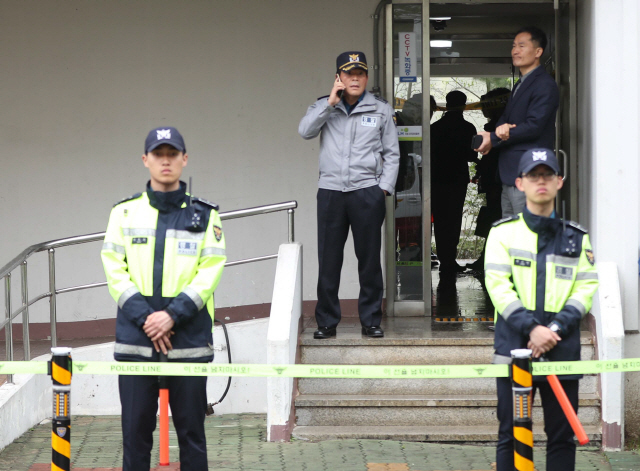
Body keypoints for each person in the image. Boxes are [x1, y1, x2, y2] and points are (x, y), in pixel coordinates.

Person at [101, 127, 227, 470]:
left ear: (184, 160)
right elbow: (114, 272)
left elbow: (210, 271)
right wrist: (148, 318)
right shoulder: (123, 214)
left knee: (192, 437)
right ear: (146, 160)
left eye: (173, 154)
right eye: (159, 154)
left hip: (187, 340)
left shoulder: (205, 216)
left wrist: (171, 316)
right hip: (137, 341)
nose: (166, 161)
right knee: (135, 436)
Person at [484, 148, 599, 471]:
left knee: (562, 437)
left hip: (561, 349)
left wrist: (556, 329)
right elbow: (498, 286)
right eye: (534, 176)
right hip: (513, 348)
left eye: (548, 175)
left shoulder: (576, 238)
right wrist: (533, 329)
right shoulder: (502, 233)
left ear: (559, 181)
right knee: (510, 433)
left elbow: (586, 287)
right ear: (520, 184)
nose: (541, 181)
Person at [299, 51, 400, 339]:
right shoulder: (323, 105)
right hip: (331, 192)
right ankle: (327, 322)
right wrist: (329, 104)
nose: (354, 78)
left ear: (366, 78)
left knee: (368, 260)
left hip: (366, 192)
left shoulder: (381, 109)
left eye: (360, 73)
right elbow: (305, 131)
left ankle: (370, 320)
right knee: (328, 260)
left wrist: (383, 188)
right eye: (348, 73)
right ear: (338, 78)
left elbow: (392, 154)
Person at [475, 26, 559, 217]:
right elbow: (504, 121)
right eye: (514, 46)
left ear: (538, 52)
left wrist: (494, 137)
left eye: (522, 46)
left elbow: (534, 126)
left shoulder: (544, 84)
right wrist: (490, 138)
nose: (515, 51)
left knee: (527, 239)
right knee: (513, 238)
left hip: (529, 175)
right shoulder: (521, 84)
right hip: (511, 176)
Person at [430, 90, 478, 274]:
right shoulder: (468, 128)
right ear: (464, 105)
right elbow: (472, 155)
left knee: (440, 219)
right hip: (457, 178)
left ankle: (444, 258)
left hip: (437, 178)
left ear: (447, 104)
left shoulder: (435, 127)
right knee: (454, 218)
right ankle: (450, 258)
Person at [466, 87, 510, 271]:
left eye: (485, 106)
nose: (482, 111)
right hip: (495, 179)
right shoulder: (496, 126)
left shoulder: (501, 128)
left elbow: (495, 157)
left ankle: (491, 259)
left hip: (499, 181)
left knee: (497, 219)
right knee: (495, 218)